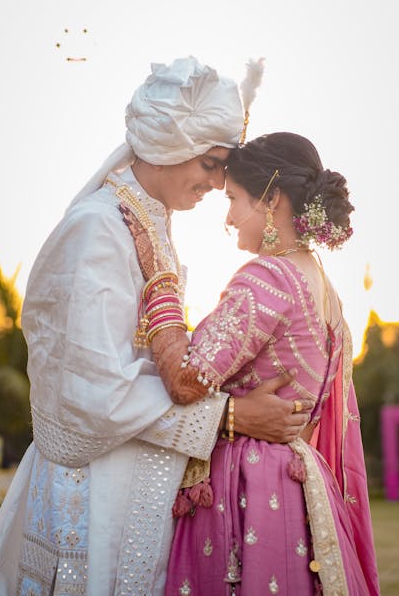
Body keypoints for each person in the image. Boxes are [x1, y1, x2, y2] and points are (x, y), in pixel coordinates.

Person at [0, 58, 313, 596]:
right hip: (95, 494)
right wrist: (230, 417)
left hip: (146, 485)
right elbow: (90, 390)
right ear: (173, 148)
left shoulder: (151, 225)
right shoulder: (96, 229)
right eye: (213, 163)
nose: (219, 182)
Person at [123, 131, 380, 595]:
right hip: (301, 483)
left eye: (235, 198)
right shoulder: (325, 289)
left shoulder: (269, 277)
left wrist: (160, 287)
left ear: (272, 198)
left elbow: (185, 381)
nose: (228, 216)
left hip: (248, 490)